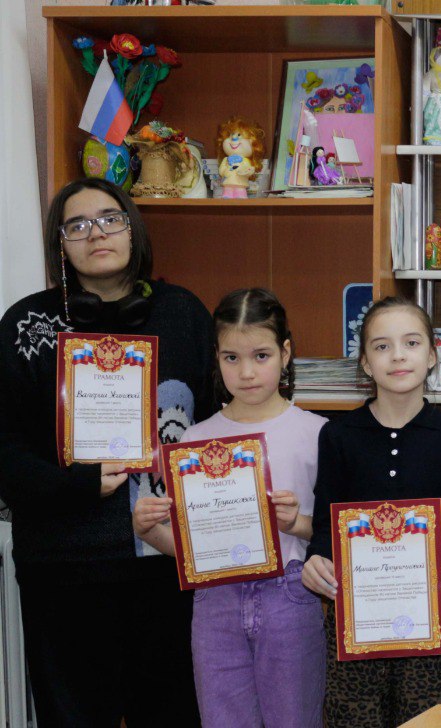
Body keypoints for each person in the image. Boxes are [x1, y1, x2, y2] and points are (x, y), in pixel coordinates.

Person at [0, 177, 214, 726]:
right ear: (60, 245)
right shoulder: (25, 324)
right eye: (77, 225)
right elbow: (4, 449)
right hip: (63, 567)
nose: (96, 233)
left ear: (133, 230)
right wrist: (76, 484)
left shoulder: (184, 314)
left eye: (110, 218)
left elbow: (217, 428)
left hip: (164, 566)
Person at [132, 288, 326, 727]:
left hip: (289, 596)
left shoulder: (318, 433)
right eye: (231, 358)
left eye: (261, 356)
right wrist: (149, 531)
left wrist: (296, 523)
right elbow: (192, 553)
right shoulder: (195, 439)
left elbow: (334, 537)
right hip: (215, 602)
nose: (247, 372)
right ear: (216, 358)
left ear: (286, 353)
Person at [301, 296, 441, 727]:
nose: (398, 355)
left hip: (429, 626)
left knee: (429, 722)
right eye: (382, 346)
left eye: (411, 343)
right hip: (355, 624)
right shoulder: (337, 436)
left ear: (432, 354)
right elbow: (326, 528)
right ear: (365, 362)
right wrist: (316, 561)